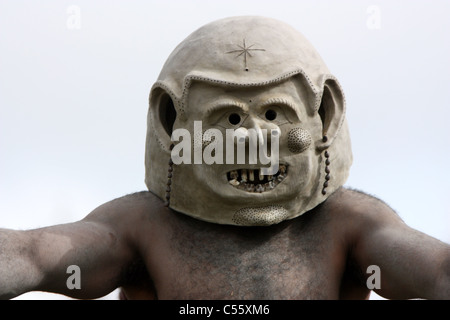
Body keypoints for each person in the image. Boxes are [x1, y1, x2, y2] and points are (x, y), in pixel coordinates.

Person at [0, 16, 448, 300]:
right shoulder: (143, 226)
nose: (253, 139)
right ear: (170, 122)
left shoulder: (347, 224)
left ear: (325, 115)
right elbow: (35, 254)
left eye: (273, 113)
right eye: (230, 118)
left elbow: (435, 272)